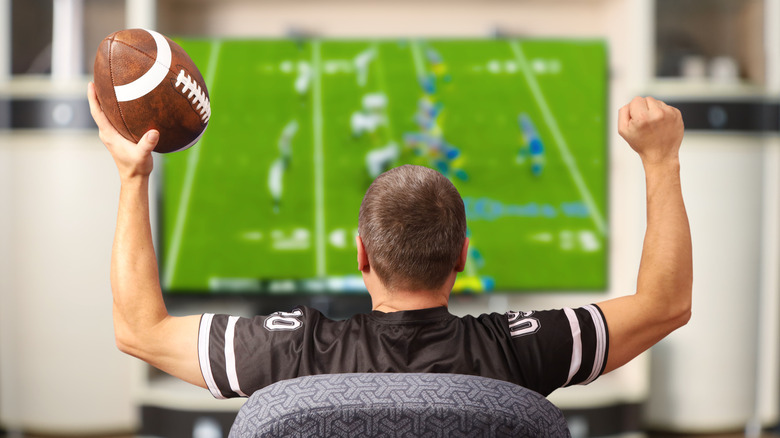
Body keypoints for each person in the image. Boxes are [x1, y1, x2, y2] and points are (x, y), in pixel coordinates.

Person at [88, 84, 691, 400]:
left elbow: (138, 331)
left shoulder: (296, 352)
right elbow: (665, 305)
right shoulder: (517, 352)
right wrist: (661, 160)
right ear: (462, 256)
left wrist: (133, 177)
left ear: (362, 255)